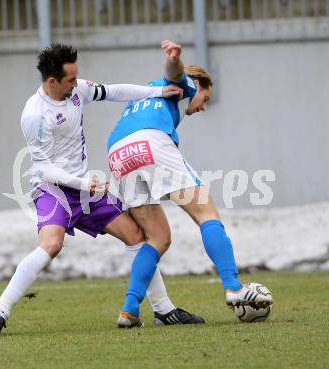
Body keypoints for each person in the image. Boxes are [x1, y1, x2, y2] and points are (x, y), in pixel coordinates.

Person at [0, 43, 204, 336]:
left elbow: (113, 91)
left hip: (86, 190)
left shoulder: (78, 91)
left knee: (135, 234)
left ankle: (163, 309)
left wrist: (157, 92)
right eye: (71, 79)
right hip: (54, 190)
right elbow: (44, 169)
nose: (77, 84)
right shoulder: (35, 114)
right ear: (52, 81)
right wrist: (85, 184)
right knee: (51, 245)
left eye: (77, 77)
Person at [107, 40, 273, 327]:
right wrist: (174, 58)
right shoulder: (184, 85)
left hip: (118, 153)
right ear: (197, 84)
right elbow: (175, 73)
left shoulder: (146, 94)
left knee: (157, 238)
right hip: (151, 142)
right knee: (206, 214)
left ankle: (129, 309)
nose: (203, 107)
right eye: (206, 99)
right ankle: (233, 287)